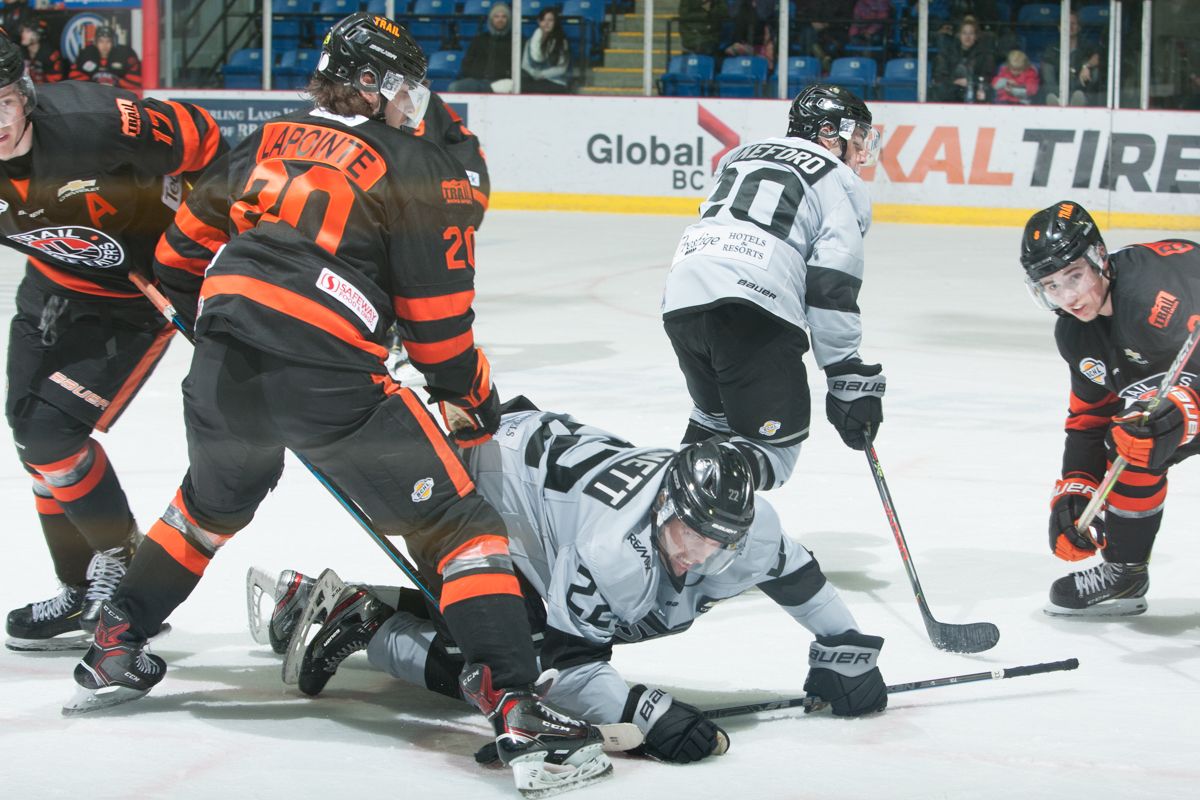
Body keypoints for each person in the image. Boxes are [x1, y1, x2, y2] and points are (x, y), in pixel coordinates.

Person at [66, 14, 613, 797]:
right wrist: (477, 400)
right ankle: (520, 709)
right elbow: (438, 334)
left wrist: (218, 321)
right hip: (330, 376)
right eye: (400, 86)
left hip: (224, 363)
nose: (410, 102)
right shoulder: (413, 164)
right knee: (458, 527)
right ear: (369, 84)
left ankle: (115, 642)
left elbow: (179, 253)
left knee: (208, 506)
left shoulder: (265, 137)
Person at [267, 402, 888, 765]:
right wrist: (640, 711)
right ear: (663, 509)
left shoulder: (738, 528)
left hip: (538, 474)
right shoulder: (614, 551)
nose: (699, 556)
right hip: (479, 482)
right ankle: (366, 622)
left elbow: (795, 574)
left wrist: (845, 648)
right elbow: (564, 671)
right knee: (513, 676)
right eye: (688, 535)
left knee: (521, 628)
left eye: (716, 542)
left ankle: (365, 606)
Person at [0, 37, 224, 651]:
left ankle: (119, 561)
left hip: (133, 299)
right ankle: (79, 591)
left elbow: (202, 138)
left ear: (25, 95)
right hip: (49, 284)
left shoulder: (93, 121)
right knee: (36, 443)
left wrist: (200, 241)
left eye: (1, 104)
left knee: (52, 434)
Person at [660, 84, 884, 492]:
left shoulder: (739, 155)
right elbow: (831, 282)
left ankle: (663, 520)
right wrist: (844, 370)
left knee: (714, 425)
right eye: (855, 136)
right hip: (752, 305)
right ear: (828, 134)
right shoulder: (839, 181)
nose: (861, 148)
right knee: (773, 451)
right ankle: (693, 515)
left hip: (682, 297)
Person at [1019, 201, 1200, 616]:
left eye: (1074, 276)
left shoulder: (1157, 296)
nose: (1068, 297)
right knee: (1130, 440)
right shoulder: (1076, 335)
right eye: (1051, 285)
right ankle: (1125, 573)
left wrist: (1183, 414)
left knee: (1156, 427)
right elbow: (1088, 420)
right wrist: (1076, 492)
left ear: (1099, 256)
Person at [1040, 12, 1104, 107]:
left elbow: (1098, 57)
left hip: (1080, 87)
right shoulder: (1052, 48)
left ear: (1079, 27)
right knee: (1046, 68)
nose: (1070, 26)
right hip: (1058, 88)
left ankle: (1081, 100)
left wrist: (1086, 66)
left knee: (1095, 71)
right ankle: (1057, 100)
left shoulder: (1087, 45)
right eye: (1066, 23)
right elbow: (1048, 74)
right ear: (1059, 28)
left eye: (1073, 23)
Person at [449, 2, 513, 93]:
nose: (500, 20)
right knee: (455, 87)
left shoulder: (516, 41)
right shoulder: (479, 39)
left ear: (508, 19)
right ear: (491, 19)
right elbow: (467, 63)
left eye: (504, 16)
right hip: (478, 81)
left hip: (503, 82)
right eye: (496, 16)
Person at [931, 17, 996, 103]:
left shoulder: (984, 55)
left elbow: (987, 76)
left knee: (987, 91)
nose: (967, 37)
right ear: (959, 35)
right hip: (952, 88)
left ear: (976, 36)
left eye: (971, 33)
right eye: (964, 33)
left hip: (974, 88)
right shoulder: (948, 52)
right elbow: (940, 75)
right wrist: (954, 81)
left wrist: (971, 81)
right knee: (939, 90)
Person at [68, 26, 141, 91]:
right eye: (101, 41)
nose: (104, 45)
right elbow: (74, 80)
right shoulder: (86, 55)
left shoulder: (124, 56)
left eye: (108, 41)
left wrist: (117, 85)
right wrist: (93, 86)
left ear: (113, 43)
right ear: (96, 43)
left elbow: (136, 82)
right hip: (92, 97)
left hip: (116, 96)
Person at [521, 7, 570, 94]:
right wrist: (534, 74)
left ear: (555, 22)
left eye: (550, 20)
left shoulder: (562, 42)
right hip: (535, 80)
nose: (546, 23)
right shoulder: (530, 42)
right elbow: (525, 65)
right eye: (543, 20)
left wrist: (542, 75)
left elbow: (562, 68)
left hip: (555, 82)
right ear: (539, 22)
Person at [17, 15, 64, 84]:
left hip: (46, 91)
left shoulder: (49, 54)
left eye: (28, 31)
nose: (23, 34)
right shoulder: (20, 51)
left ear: (39, 34)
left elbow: (55, 82)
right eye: (23, 30)